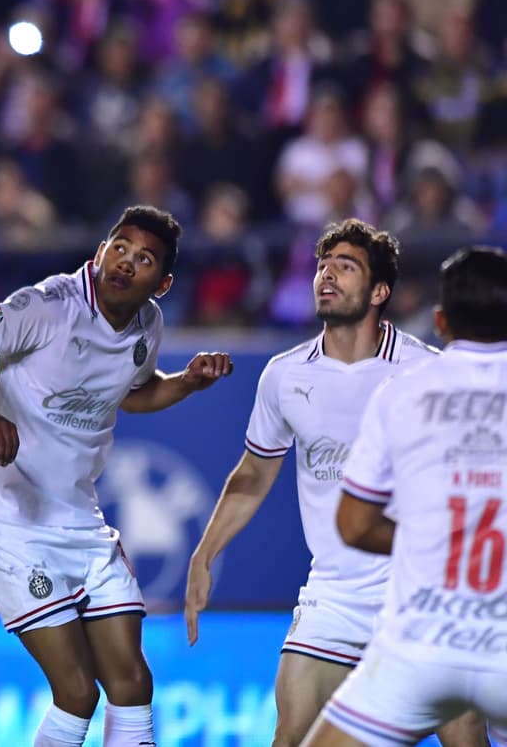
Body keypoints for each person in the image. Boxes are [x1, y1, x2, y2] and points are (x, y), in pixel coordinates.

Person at [0, 205, 234, 747]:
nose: (126, 263)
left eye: (144, 259)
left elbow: (134, 393)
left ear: (162, 284)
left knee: (133, 683)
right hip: (11, 519)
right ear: (99, 252)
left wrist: (185, 382)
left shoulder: (148, 324)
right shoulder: (46, 306)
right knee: (76, 692)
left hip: (80, 520)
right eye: (120, 248)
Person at [184, 219, 487, 747]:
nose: (327, 275)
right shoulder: (285, 375)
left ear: (379, 291)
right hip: (335, 596)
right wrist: (204, 554)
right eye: (323, 265)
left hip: (422, 593)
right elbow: (252, 475)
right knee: (291, 737)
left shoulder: (427, 372)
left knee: (465, 739)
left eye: (346, 267)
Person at [303, 245, 507, 747]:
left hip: (422, 643)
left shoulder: (402, 392)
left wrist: (433, 540)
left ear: (440, 321)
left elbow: (353, 525)